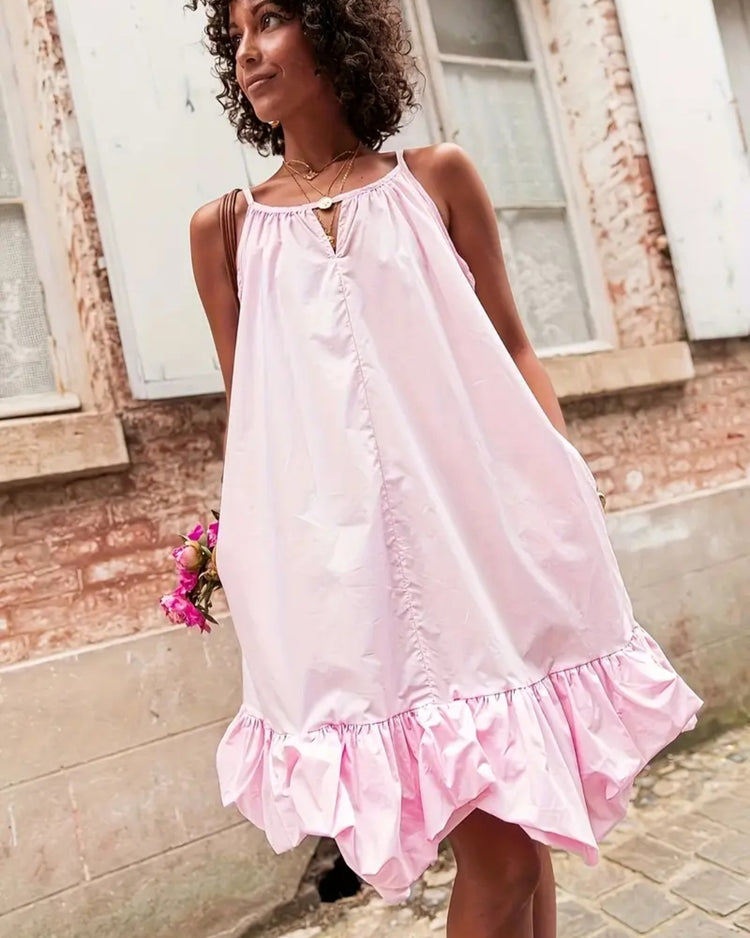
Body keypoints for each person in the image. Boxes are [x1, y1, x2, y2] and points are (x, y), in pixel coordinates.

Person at [188, 1, 703, 935]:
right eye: (234, 37)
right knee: (505, 862)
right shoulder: (224, 232)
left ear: (333, 31)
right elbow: (254, 422)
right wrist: (249, 564)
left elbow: (514, 345)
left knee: (529, 836)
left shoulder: (436, 180)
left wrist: (565, 485)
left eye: (270, 20)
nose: (248, 53)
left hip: (484, 557)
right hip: (358, 597)